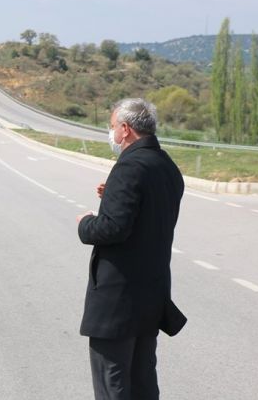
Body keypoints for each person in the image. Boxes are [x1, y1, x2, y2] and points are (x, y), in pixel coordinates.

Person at [76, 98, 186, 400]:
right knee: (142, 382)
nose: (111, 133)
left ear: (125, 129)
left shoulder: (129, 167)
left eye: (112, 127)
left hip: (118, 303)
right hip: (151, 297)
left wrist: (86, 222)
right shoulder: (166, 166)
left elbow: (112, 228)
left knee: (113, 384)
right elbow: (146, 212)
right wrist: (111, 193)